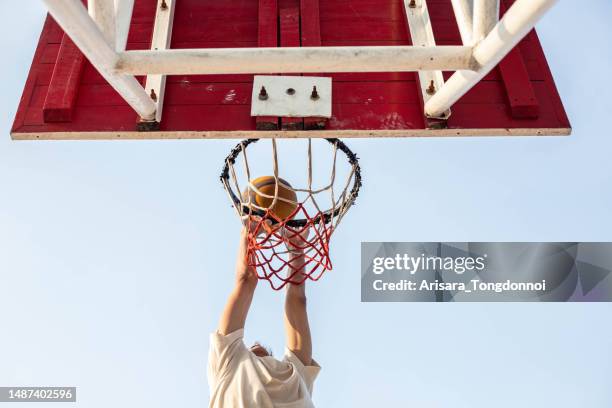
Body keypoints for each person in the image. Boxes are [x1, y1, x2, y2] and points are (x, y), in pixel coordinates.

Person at [207, 224, 321, 407]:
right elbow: (297, 300)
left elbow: (246, 280)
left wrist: (248, 233)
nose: (256, 344)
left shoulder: (228, 360)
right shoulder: (295, 374)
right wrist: (297, 247)